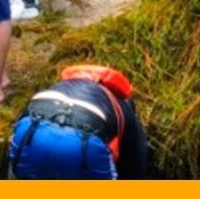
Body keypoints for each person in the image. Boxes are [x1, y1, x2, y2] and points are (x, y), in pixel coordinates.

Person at [8, 65, 148, 179]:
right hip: (82, 141)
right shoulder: (125, 109)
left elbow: (20, 123)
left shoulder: (59, 86)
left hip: (31, 130)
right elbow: (136, 170)